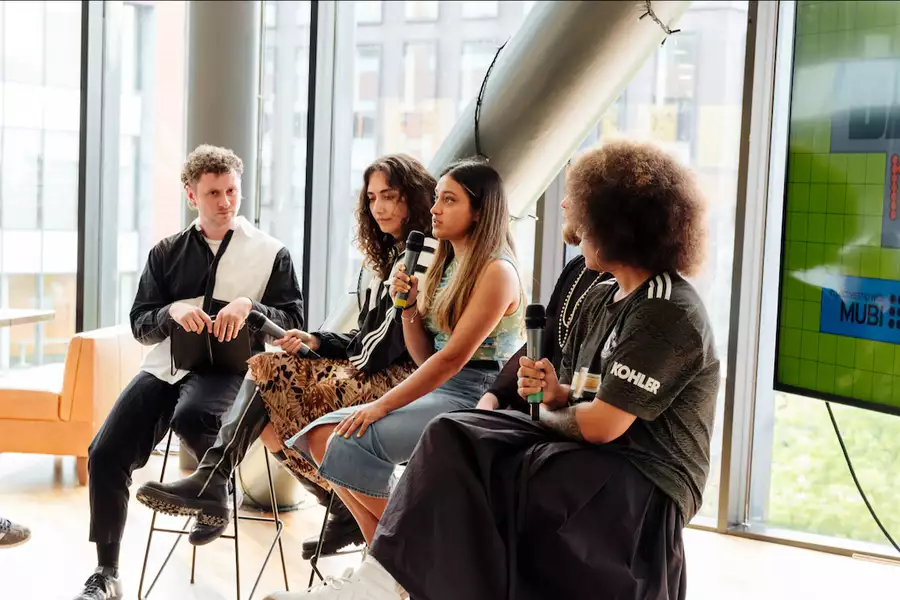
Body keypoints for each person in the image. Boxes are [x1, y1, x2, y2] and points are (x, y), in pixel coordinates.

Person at [283, 140, 720, 600]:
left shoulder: (665, 310)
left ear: (617, 224)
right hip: (589, 446)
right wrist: (556, 393)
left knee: (497, 474)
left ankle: (394, 583)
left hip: (645, 472)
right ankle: (386, 580)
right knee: (450, 433)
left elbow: (602, 425)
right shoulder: (599, 295)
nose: (568, 216)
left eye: (581, 212)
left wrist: (542, 411)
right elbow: (580, 394)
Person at [134, 154, 437, 557]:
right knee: (268, 402)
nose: (379, 207)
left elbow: (389, 342)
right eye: (372, 198)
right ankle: (335, 505)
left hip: (400, 379)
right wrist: (316, 342)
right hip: (371, 365)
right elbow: (369, 334)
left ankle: (216, 478)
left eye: (390, 196)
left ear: (412, 197)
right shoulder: (388, 256)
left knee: (269, 373)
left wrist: (329, 355)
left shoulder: (421, 252)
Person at [73, 145, 305, 600]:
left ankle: (214, 493)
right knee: (103, 452)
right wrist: (171, 312)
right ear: (191, 195)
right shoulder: (165, 252)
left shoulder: (271, 253)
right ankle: (107, 572)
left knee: (194, 416)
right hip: (165, 367)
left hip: (228, 369)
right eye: (214, 193)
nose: (225, 202)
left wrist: (251, 308)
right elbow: (140, 323)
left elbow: (294, 322)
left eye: (232, 190)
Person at [281, 158, 524, 562]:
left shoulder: (497, 271)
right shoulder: (447, 262)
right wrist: (408, 307)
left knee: (343, 439)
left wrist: (380, 405)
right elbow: (424, 355)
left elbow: (451, 360)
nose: (435, 209)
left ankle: (411, 556)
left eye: (449, 200)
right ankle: (386, 566)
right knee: (320, 436)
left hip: (476, 394)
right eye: (437, 199)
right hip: (443, 385)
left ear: (480, 211)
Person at [476, 193, 612, 414]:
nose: (563, 203)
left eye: (574, 195)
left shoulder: (623, 289)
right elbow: (540, 340)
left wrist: (555, 399)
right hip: (536, 409)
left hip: (563, 416)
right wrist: (492, 397)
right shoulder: (577, 267)